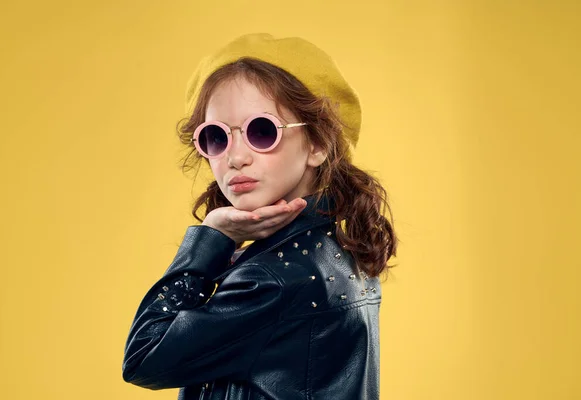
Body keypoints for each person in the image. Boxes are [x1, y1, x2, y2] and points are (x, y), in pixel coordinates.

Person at [121, 33, 398, 400]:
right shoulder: (337, 250)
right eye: (216, 137)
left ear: (317, 143)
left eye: (261, 131)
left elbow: (143, 358)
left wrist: (209, 239)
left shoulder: (272, 279)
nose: (235, 158)